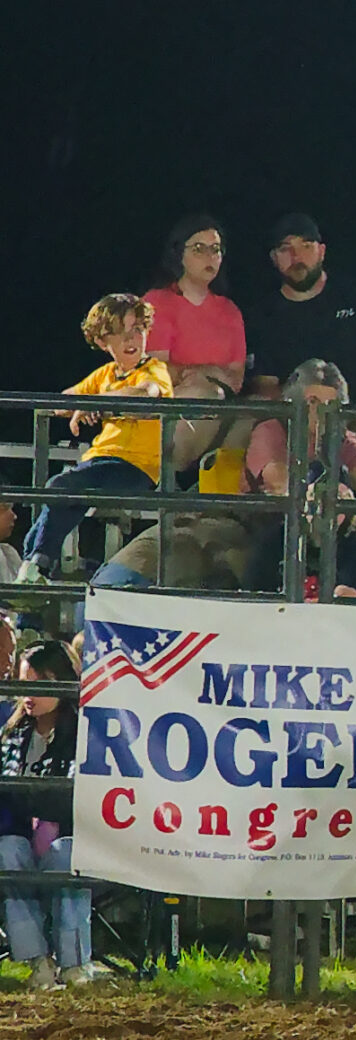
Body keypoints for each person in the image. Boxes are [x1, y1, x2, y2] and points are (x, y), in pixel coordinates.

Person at [23, 295, 173, 577]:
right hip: (98, 461)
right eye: (119, 332)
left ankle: (36, 568)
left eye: (138, 329)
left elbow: (148, 393)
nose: (131, 338)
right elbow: (61, 401)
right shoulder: (105, 374)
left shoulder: (153, 368)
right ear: (103, 342)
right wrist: (83, 403)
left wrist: (99, 402)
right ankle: (34, 577)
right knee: (58, 499)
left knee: (60, 489)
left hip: (135, 468)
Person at [241, 359, 356, 600]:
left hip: (331, 519)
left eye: (330, 404)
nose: (321, 411)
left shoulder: (339, 436)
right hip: (272, 519)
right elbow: (280, 480)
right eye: (313, 402)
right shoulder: (272, 429)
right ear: (294, 401)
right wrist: (321, 492)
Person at [0, 643, 98, 989]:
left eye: (42, 682)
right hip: (23, 839)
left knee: (65, 853)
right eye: (24, 682)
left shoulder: (86, 734)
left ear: (64, 682)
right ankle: (37, 960)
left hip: (68, 839)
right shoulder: (11, 735)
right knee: (6, 850)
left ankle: (74, 964)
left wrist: (27, 798)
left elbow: (72, 800)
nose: (29, 694)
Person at [244, 213, 356, 415]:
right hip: (293, 431)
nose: (296, 256)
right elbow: (265, 386)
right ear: (274, 258)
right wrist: (300, 433)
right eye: (286, 248)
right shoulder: (262, 316)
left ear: (322, 252)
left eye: (306, 246)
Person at [142, 214, 247, 474]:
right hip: (167, 412)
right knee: (205, 395)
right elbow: (157, 371)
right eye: (199, 249)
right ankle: (167, 483)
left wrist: (200, 374)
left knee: (256, 412)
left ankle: (214, 502)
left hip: (219, 408)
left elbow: (236, 379)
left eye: (216, 250)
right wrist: (209, 374)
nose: (210, 257)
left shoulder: (230, 311)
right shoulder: (157, 302)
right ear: (179, 254)